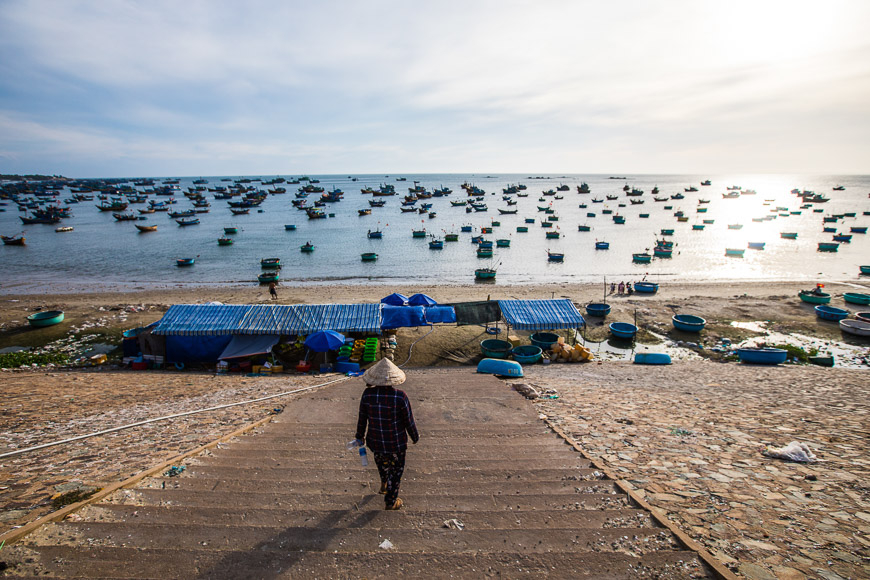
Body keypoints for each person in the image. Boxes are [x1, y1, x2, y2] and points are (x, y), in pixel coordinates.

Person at [354, 358, 419, 510]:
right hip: (396, 443)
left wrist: (359, 435)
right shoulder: (400, 396)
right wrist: (414, 436)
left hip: (375, 441)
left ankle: (384, 484)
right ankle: (391, 501)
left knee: (382, 464)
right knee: (396, 471)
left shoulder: (367, 395)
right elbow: (408, 420)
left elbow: (362, 418)